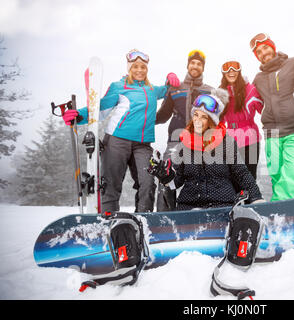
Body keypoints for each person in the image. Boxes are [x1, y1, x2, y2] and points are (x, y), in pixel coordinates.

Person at [62, 49, 180, 212]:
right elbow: (101, 107)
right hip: (117, 140)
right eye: (135, 66)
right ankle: (109, 220)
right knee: (111, 184)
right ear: (129, 68)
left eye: (143, 67)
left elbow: (168, 89)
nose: (139, 70)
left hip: (143, 144)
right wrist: (79, 115)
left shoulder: (152, 90)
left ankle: (142, 220)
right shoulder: (119, 87)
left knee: (148, 183)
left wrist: (170, 77)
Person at [151, 89, 263, 211]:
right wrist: (165, 176)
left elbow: (242, 174)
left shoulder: (226, 143)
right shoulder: (185, 145)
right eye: (196, 115)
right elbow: (176, 181)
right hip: (189, 207)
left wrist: (256, 197)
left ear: (211, 122)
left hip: (221, 206)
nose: (197, 120)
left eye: (204, 117)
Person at [249, 33, 294, 202]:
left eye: (265, 47)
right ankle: (281, 214)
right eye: (259, 52)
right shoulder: (258, 79)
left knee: (291, 175)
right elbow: (252, 103)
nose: (263, 53)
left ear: (273, 46)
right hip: (271, 134)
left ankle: (278, 212)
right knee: (276, 177)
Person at [155, 49, 214, 211]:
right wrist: (142, 117)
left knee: (203, 179)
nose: (195, 66)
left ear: (203, 68)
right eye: (192, 63)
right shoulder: (175, 88)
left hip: (201, 142)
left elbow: (215, 119)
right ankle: (164, 217)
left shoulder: (209, 90)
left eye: (199, 64)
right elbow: (162, 115)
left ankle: (200, 214)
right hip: (176, 140)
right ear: (188, 65)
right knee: (166, 177)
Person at [218, 60, 264, 180]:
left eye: (234, 68)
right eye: (227, 69)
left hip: (250, 139)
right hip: (230, 139)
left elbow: (264, 110)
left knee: (249, 176)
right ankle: (234, 198)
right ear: (223, 73)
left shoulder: (251, 89)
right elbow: (218, 119)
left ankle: (252, 198)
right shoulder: (220, 93)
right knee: (232, 178)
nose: (231, 72)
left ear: (239, 71)